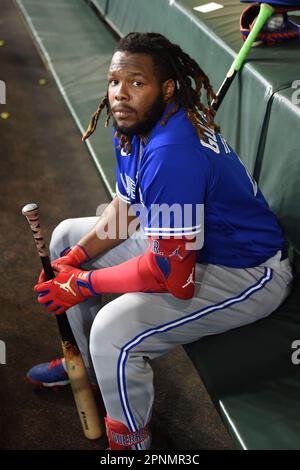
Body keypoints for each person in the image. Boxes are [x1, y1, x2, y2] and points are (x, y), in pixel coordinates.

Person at [27, 32, 293, 450]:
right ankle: (89, 371)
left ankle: (131, 443)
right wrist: (76, 259)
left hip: (243, 270)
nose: (120, 94)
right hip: (184, 245)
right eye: (115, 82)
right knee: (64, 239)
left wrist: (81, 283)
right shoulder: (135, 125)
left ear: (166, 88)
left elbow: (172, 276)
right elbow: (127, 209)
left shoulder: (173, 153)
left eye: (136, 83)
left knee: (112, 333)